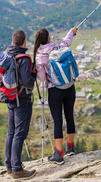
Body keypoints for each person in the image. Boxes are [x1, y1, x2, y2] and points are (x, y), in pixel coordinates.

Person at [34, 27, 77, 165]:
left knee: (57, 121)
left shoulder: (39, 56)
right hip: (69, 87)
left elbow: (41, 78)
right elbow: (67, 42)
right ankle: (70, 147)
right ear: (49, 37)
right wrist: (71, 32)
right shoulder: (58, 47)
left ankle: (59, 155)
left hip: (54, 91)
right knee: (69, 116)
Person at [5, 30, 37, 180]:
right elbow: (28, 83)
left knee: (11, 132)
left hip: (10, 97)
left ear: (13, 42)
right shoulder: (24, 59)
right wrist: (34, 73)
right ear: (24, 42)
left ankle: (9, 166)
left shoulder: (8, 55)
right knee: (20, 133)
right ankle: (17, 169)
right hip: (22, 99)